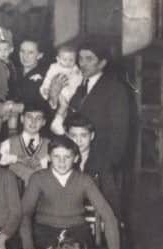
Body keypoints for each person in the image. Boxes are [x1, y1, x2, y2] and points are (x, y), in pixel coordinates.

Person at [47, 39, 130, 216]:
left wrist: (108, 165)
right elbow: (66, 118)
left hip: (102, 164)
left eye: (89, 59)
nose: (82, 63)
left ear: (102, 63)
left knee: (108, 215)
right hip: (76, 159)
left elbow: (120, 132)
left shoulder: (115, 89)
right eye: (80, 58)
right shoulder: (80, 85)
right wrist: (54, 98)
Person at [20, 135, 121, 249]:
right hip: (45, 232)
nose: (62, 162)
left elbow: (108, 215)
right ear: (49, 157)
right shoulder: (38, 178)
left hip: (77, 230)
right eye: (56, 156)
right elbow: (24, 214)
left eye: (67, 157)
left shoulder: (84, 180)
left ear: (75, 158)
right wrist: (29, 248)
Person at [0, 102, 50, 185]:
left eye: (38, 118)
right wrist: (17, 158)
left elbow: (56, 160)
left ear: (44, 122)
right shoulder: (9, 143)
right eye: (29, 117)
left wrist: (41, 162)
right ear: (22, 119)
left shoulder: (50, 145)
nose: (33, 122)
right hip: (15, 193)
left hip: (41, 193)